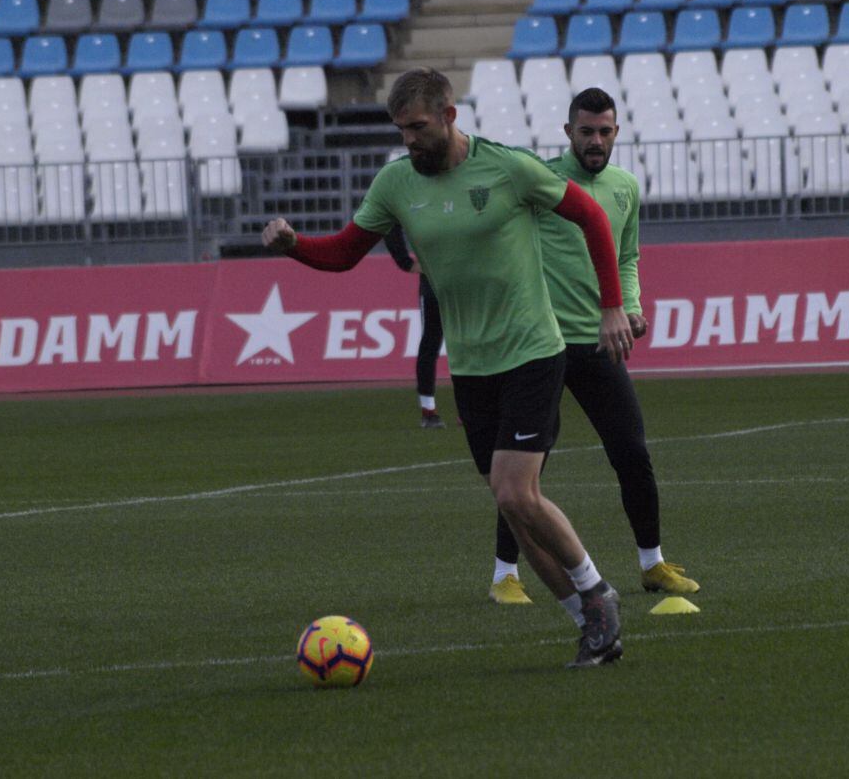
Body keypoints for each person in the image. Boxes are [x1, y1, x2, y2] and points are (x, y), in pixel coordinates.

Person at [262, 68, 633, 668]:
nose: (408, 139)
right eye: (401, 129)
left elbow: (590, 216)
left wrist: (611, 305)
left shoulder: (508, 168)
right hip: (472, 365)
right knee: (510, 501)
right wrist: (294, 245)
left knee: (517, 488)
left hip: (534, 350)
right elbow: (345, 253)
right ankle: (587, 622)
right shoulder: (394, 183)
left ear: (449, 115)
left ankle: (597, 592)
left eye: (418, 127)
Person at [488, 88, 700, 613]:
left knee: (632, 452)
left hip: (599, 342)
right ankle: (505, 575)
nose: (596, 141)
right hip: (541, 345)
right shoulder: (542, 182)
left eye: (605, 131)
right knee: (524, 471)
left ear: (616, 132)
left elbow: (627, 257)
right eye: (586, 132)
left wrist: (629, 306)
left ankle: (652, 564)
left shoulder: (625, 187)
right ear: (568, 133)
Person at [383, 226, 446, 429]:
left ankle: (475, 406)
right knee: (431, 343)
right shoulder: (417, 195)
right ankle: (428, 410)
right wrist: (405, 261)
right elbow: (389, 223)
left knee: (473, 342)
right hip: (434, 283)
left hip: (467, 281)